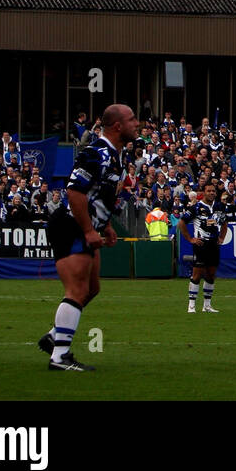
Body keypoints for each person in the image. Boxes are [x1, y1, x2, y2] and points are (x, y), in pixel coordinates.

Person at [38, 104, 139, 371]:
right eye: (132, 119)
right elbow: (74, 193)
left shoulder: (115, 155)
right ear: (117, 126)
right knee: (77, 290)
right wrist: (88, 230)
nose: (136, 123)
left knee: (92, 289)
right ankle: (59, 357)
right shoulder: (96, 153)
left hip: (84, 225)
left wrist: (104, 226)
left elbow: (97, 195)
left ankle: (54, 336)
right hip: (70, 225)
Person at [182, 182, 231, 313]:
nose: (211, 193)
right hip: (201, 244)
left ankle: (207, 305)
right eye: (209, 191)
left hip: (214, 245)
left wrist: (221, 238)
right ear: (203, 192)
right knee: (197, 274)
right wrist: (191, 239)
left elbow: (224, 223)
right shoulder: (196, 207)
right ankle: (191, 305)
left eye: (213, 191)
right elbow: (181, 223)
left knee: (211, 274)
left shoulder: (220, 206)